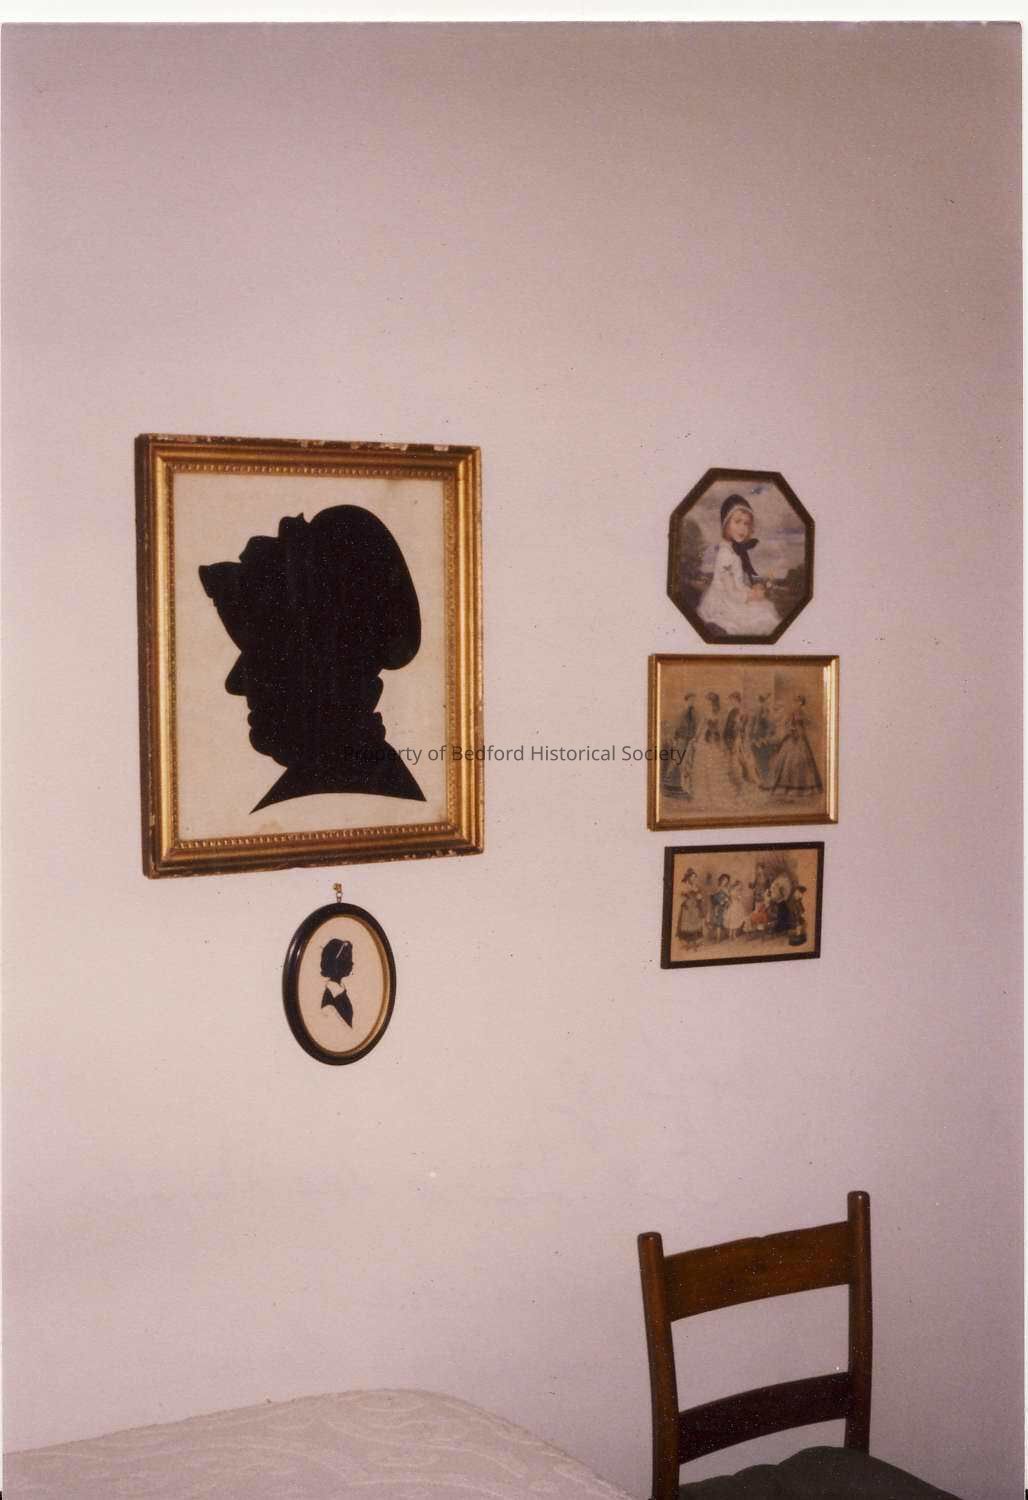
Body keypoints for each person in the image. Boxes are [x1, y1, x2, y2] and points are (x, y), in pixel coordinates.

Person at [199, 505, 425, 811]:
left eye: (263, 654)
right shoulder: (369, 782)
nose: (235, 683)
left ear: (318, 665)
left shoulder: (322, 803)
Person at [697, 495, 780, 637]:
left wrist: (751, 591)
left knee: (766, 610)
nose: (742, 528)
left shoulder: (734, 550)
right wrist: (750, 596)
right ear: (725, 524)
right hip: (724, 601)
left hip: (734, 594)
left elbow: (738, 583)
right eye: (737, 522)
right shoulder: (725, 554)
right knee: (763, 616)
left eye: (746, 523)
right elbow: (729, 589)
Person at [767, 694, 824, 798]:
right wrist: (791, 729)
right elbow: (787, 723)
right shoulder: (792, 712)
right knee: (789, 760)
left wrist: (813, 725)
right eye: (795, 701)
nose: (796, 703)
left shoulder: (802, 711)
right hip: (793, 737)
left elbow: (809, 721)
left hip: (801, 737)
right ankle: (786, 788)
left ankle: (805, 789)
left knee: (802, 760)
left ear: (801, 703)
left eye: (798, 701)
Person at [676, 868, 705, 950]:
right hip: (687, 907)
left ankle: (695, 943)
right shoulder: (684, 885)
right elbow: (680, 896)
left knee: (695, 924)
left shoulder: (696, 886)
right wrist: (686, 896)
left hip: (694, 907)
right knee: (687, 925)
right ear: (688, 877)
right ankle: (688, 944)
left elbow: (699, 896)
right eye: (692, 877)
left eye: (694, 877)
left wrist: (700, 898)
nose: (693, 879)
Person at [709, 873, 731, 942]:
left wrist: (727, 901)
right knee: (718, 923)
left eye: (726, 881)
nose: (724, 882)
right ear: (721, 880)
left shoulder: (726, 889)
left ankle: (727, 935)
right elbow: (713, 898)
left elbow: (729, 898)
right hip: (718, 907)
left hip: (725, 907)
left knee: (725, 921)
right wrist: (719, 901)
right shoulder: (717, 888)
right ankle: (718, 938)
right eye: (723, 880)